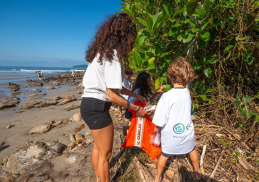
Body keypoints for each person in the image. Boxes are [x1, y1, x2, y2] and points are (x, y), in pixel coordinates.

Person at [80, 13, 146, 182]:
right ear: (124, 37)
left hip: (88, 104)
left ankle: (99, 178)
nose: (131, 48)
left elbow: (116, 86)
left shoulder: (102, 52)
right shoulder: (115, 55)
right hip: (97, 107)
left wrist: (135, 94)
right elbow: (112, 96)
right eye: (131, 43)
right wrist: (137, 109)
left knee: (98, 148)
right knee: (106, 154)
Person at [153, 56, 201, 181]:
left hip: (171, 136)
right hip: (186, 132)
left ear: (170, 77)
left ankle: (158, 177)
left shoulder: (166, 96)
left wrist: (156, 130)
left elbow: (160, 119)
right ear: (186, 76)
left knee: (164, 156)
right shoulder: (187, 93)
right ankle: (197, 173)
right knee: (192, 151)